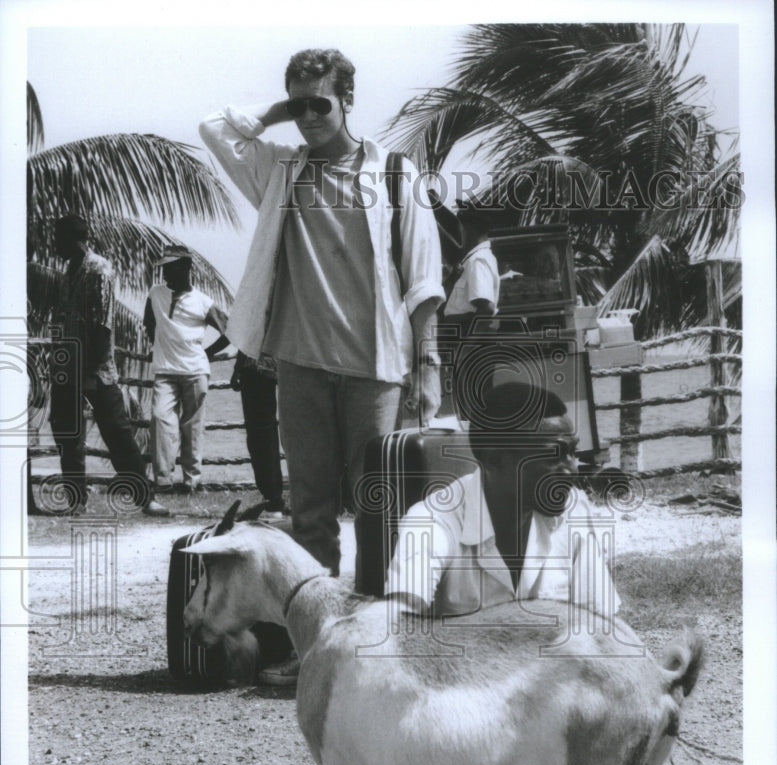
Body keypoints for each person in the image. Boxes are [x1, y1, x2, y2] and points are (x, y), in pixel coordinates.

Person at [200, 48, 444, 682]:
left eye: (321, 103)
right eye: (298, 104)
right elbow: (215, 128)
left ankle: (380, 646)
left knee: (378, 507)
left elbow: (423, 279)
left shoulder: (395, 173)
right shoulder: (280, 171)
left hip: (375, 366)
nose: (309, 116)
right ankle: (318, 652)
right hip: (300, 365)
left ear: (348, 101)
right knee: (309, 512)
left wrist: (430, 361)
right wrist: (283, 108)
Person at [386, 380, 620, 619]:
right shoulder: (431, 521)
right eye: (554, 455)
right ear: (494, 460)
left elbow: (601, 624)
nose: (572, 470)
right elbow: (397, 627)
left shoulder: (574, 510)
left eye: (573, 453)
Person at [47, 215, 168, 516]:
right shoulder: (68, 271)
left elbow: (103, 324)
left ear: (72, 238)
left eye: (57, 239)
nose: (54, 245)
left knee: (117, 433)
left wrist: (89, 370)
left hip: (97, 370)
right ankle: (76, 501)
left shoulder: (98, 269)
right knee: (67, 434)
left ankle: (146, 497)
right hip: (67, 366)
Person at [144, 245, 229, 494]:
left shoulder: (203, 302)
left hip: (195, 371)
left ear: (186, 267)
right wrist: (159, 345)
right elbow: (150, 324)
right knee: (160, 419)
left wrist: (208, 353)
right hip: (165, 370)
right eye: (164, 268)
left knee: (192, 427)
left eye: (170, 267)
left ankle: (191, 482)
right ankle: (163, 481)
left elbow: (230, 330)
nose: (165, 273)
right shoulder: (155, 294)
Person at [437, 200, 500, 418]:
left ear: (470, 229)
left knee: (473, 408)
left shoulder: (479, 260)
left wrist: (467, 347)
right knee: (468, 405)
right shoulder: (473, 260)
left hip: (472, 343)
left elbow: (485, 308)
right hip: (467, 341)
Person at [229, 350, 286, 518]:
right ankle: (301, 497)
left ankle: (273, 498)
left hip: (257, 367)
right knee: (293, 432)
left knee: (260, 434)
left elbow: (247, 336)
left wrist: (238, 367)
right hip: (290, 360)